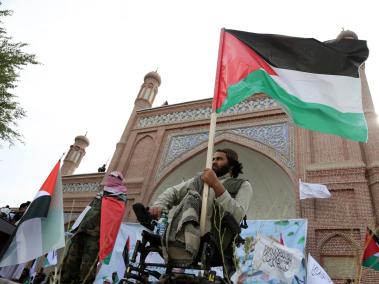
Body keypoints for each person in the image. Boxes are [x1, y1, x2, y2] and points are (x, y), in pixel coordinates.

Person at [149, 148, 253, 277]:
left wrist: (216, 185)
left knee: (193, 196)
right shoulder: (200, 180)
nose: (214, 162)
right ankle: (165, 229)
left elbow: (238, 214)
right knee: (191, 195)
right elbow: (174, 192)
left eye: (219, 159)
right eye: (213, 159)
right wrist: (160, 205)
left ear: (232, 165)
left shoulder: (242, 185)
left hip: (214, 237)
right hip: (185, 228)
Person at [59, 171, 128, 284]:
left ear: (120, 180)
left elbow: (113, 218)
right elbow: (87, 211)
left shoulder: (120, 197)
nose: (111, 178)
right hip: (81, 231)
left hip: (95, 237)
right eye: (110, 175)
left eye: (114, 177)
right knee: (70, 262)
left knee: (87, 267)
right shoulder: (101, 193)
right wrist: (76, 227)